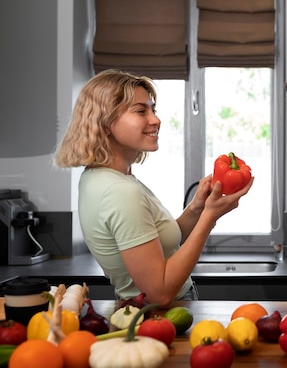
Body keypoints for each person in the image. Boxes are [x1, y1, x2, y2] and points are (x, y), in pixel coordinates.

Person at [54, 70, 253, 307]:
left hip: (141, 311)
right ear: (105, 122)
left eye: (153, 109)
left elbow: (161, 242)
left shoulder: (103, 178)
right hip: (158, 316)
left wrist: (197, 209)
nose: (156, 120)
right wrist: (210, 217)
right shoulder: (119, 192)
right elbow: (159, 293)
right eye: (141, 111)